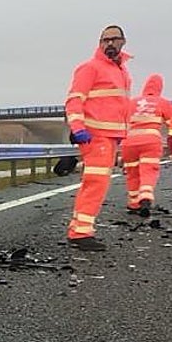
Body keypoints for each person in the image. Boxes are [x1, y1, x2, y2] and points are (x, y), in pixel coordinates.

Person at [64, 25, 132, 251]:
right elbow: (74, 100)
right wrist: (77, 127)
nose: (109, 43)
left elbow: (117, 106)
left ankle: (79, 228)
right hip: (95, 136)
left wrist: (121, 134)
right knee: (96, 183)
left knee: (96, 183)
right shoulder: (90, 68)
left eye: (114, 39)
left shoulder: (121, 71)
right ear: (99, 43)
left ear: (123, 41)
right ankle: (80, 233)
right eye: (105, 40)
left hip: (109, 136)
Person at [121, 74, 172, 217]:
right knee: (148, 170)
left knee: (132, 172)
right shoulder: (163, 103)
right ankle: (145, 196)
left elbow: (120, 121)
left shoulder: (132, 102)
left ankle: (134, 203)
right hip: (150, 142)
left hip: (129, 142)